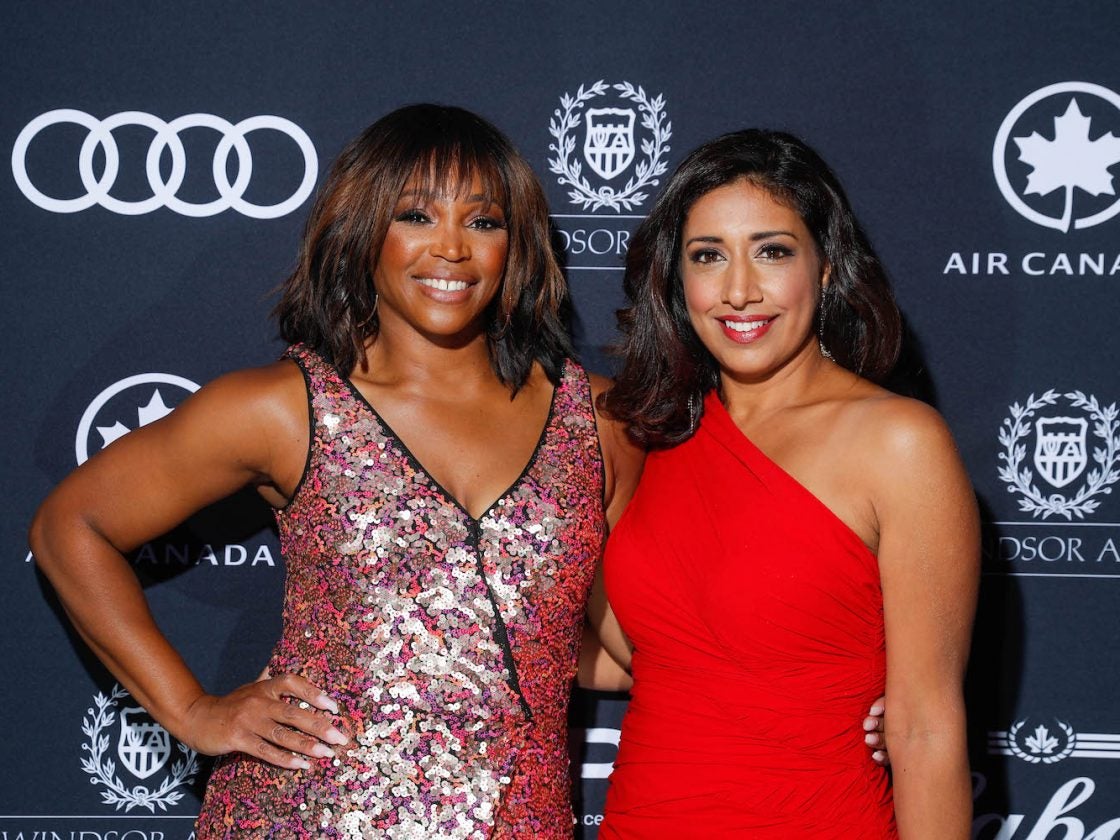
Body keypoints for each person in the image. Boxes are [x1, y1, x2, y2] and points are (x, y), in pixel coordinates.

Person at [31, 107, 886, 838]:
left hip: (521, 818)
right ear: (363, 231)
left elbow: (639, 641)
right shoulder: (283, 407)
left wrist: (861, 698)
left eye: (483, 221)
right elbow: (73, 524)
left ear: (517, 244)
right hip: (310, 813)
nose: (451, 249)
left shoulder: (599, 419)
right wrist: (191, 711)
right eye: (416, 214)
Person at [592, 129, 979, 838]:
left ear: (826, 266)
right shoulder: (654, 435)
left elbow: (925, 729)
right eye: (708, 256)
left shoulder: (898, 442)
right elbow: (645, 655)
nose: (740, 290)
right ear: (677, 278)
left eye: (772, 251)